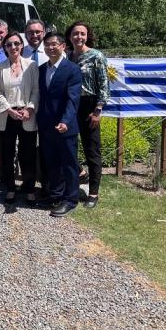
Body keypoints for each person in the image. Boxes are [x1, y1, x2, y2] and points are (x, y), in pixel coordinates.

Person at [37, 32, 82, 217]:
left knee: (69, 164)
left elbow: (73, 100)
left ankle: (70, 199)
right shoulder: (41, 69)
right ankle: (55, 194)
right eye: (47, 44)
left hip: (65, 126)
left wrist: (65, 121)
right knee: (52, 163)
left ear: (63, 46)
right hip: (46, 125)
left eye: (54, 44)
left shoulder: (72, 69)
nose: (50, 47)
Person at [0, 31, 39, 205]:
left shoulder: (31, 65)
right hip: (7, 116)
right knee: (7, 154)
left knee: (28, 154)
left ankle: (29, 189)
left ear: (22, 45)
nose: (13, 47)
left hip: (27, 115)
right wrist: (8, 109)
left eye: (16, 43)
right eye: (9, 44)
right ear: (4, 47)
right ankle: (10, 188)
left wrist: (30, 108)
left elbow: (36, 90)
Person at [66, 21, 109, 209]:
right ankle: (80, 173)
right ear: (69, 36)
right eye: (75, 34)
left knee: (92, 150)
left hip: (90, 105)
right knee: (68, 146)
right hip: (71, 105)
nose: (79, 37)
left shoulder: (96, 56)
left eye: (82, 34)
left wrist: (98, 110)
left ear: (87, 35)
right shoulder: (67, 57)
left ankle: (93, 193)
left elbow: (104, 85)